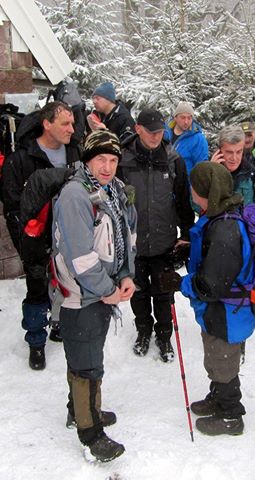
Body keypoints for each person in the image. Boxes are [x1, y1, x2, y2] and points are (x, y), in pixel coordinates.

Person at [52, 130, 137, 461]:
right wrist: (108, 291)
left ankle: (80, 409)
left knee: (86, 355)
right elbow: (81, 258)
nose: (107, 166)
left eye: (113, 160)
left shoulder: (113, 190)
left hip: (104, 291)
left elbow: (126, 236)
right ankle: (91, 435)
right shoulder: (75, 195)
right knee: (87, 365)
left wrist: (126, 274)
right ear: (87, 160)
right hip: (81, 295)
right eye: (100, 159)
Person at [159, 162, 255, 436]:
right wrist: (191, 250)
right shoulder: (221, 215)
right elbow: (216, 259)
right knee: (216, 358)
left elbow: (212, 284)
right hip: (223, 310)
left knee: (223, 362)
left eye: (194, 186)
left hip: (228, 312)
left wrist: (180, 283)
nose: (191, 191)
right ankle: (218, 397)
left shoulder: (225, 227)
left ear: (205, 191)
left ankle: (231, 415)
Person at [2, 101, 81, 370]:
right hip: (35, 237)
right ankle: (36, 340)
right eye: (65, 124)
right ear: (47, 124)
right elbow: (12, 207)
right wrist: (25, 242)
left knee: (66, 283)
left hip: (68, 235)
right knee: (37, 288)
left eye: (72, 123)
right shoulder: (21, 159)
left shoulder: (75, 152)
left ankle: (58, 323)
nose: (71, 129)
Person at [117, 108, 194, 360]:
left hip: (164, 241)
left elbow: (183, 200)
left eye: (160, 131)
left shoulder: (173, 160)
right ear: (138, 129)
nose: (156, 136)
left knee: (163, 292)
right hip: (133, 243)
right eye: (151, 131)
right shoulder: (123, 160)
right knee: (138, 292)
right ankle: (143, 330)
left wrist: (186, 235)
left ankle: (164, 335)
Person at [210, 125, 255, 205]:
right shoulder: (208, 173)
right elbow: (197, 206)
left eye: (239, 152)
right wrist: (211, 175)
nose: (234, 158)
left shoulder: (252, 174)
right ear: (219, 151)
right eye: (229, 152)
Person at [163, 101, 209, 176]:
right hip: (163, 180)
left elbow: (201, 167)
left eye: (189, 118)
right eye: (183, 117)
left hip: (185, 181)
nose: (186, 122)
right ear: (175, 118)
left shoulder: (198, 139)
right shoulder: (164, 132)